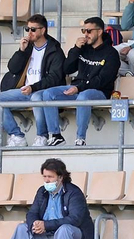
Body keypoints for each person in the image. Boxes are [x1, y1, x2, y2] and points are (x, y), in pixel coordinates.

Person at [0, 158, 92, 239]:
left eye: (50, 177)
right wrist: (35, 224)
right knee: (22, 228)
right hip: (47, 236)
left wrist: (46, 225)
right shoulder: (42, 191)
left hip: (74, 237)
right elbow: (32, 213)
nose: (47, 180)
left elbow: (75, 219)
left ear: (60, 177)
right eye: (44, 176)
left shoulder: (74, 192)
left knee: (65, 229)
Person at [34, 17, 118, 147]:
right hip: (78, 88)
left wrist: (79, 88)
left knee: (84, 96)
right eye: (83, 30)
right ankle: (55, 135)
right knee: (48, 94)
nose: (85, 34)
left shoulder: (111, 53)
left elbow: (103, 80)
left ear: (100, 31)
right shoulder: (83, 48)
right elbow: (67, 69)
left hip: (99, 91)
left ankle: (80, 138)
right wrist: (76, 49)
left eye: (89, 31)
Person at [0, 14, 63, 147]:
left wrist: (34, 87)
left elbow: (54, 78)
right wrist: (21, 51)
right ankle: (17, 135)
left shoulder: (55, 51)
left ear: (42, 30)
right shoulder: (28, 47)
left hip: (42, 92)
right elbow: (13, 69)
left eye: (33, 29)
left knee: (37, 97)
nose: (29, 32)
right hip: (25, 91)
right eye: (27, 29)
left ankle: (42, 136)